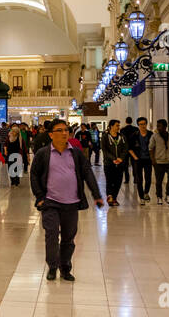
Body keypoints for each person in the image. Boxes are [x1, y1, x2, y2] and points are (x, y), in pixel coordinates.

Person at [30, 119, 104, 281]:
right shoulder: (43, 153)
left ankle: (65, 267)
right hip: (50, 202)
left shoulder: (76, 153)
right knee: (51, 234)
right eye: (59, 130)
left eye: (66, 130)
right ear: (51, 134)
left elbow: (87, 173)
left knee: (68, 238)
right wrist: (40, 197)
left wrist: (97, 195)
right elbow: (34, 175)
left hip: (71, 202)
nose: (64, 133)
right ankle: (52, 266)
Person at [102, 120, 128, 206]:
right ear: (111, 126)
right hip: (109, 163)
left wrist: (121, 158)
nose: (118, 127)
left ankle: (114, 198)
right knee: (110, 181)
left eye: (119, 125)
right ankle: (110, 196)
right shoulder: (105, 137)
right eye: (117, 125)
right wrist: (113, 159)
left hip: (120, 163)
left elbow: (125, 149)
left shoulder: (122, 137)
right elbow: (105, 150)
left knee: (118, 181)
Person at [151, 119, 169, 206]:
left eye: (159, 126)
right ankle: (159, 197)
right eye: (157, 126)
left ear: (165, 127)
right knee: (159, 181)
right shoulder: (154, 136)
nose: (158, 128)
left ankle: (168, 195)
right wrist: (153, 160)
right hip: (159, 162)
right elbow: (151, 149)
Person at [127, 117, 152, 202]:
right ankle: (141, 197)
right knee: (139, 178)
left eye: (144, 124)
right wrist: (135, 157)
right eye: (141, 124)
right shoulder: (135, 135)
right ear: (138, 125)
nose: (143, 126)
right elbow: (129, 148)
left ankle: (146, 193)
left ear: (146, 124)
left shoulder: (151, 134)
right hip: (138, 160)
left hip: (148, 159)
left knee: (148, 177)